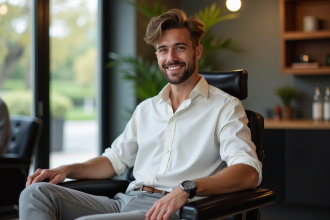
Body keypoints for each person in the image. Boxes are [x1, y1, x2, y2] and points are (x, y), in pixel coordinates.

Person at [19, 9, 262, 220]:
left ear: (197, 52)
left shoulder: (226, 107)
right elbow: (114, 160)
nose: (171, 58)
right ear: (157, 56)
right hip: (125, 202)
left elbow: (248, 172)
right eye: (163, 50)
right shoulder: (147, 109)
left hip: (174, 210)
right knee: (35, 194)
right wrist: (65, 169)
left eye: (180, 48)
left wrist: (188, 188)